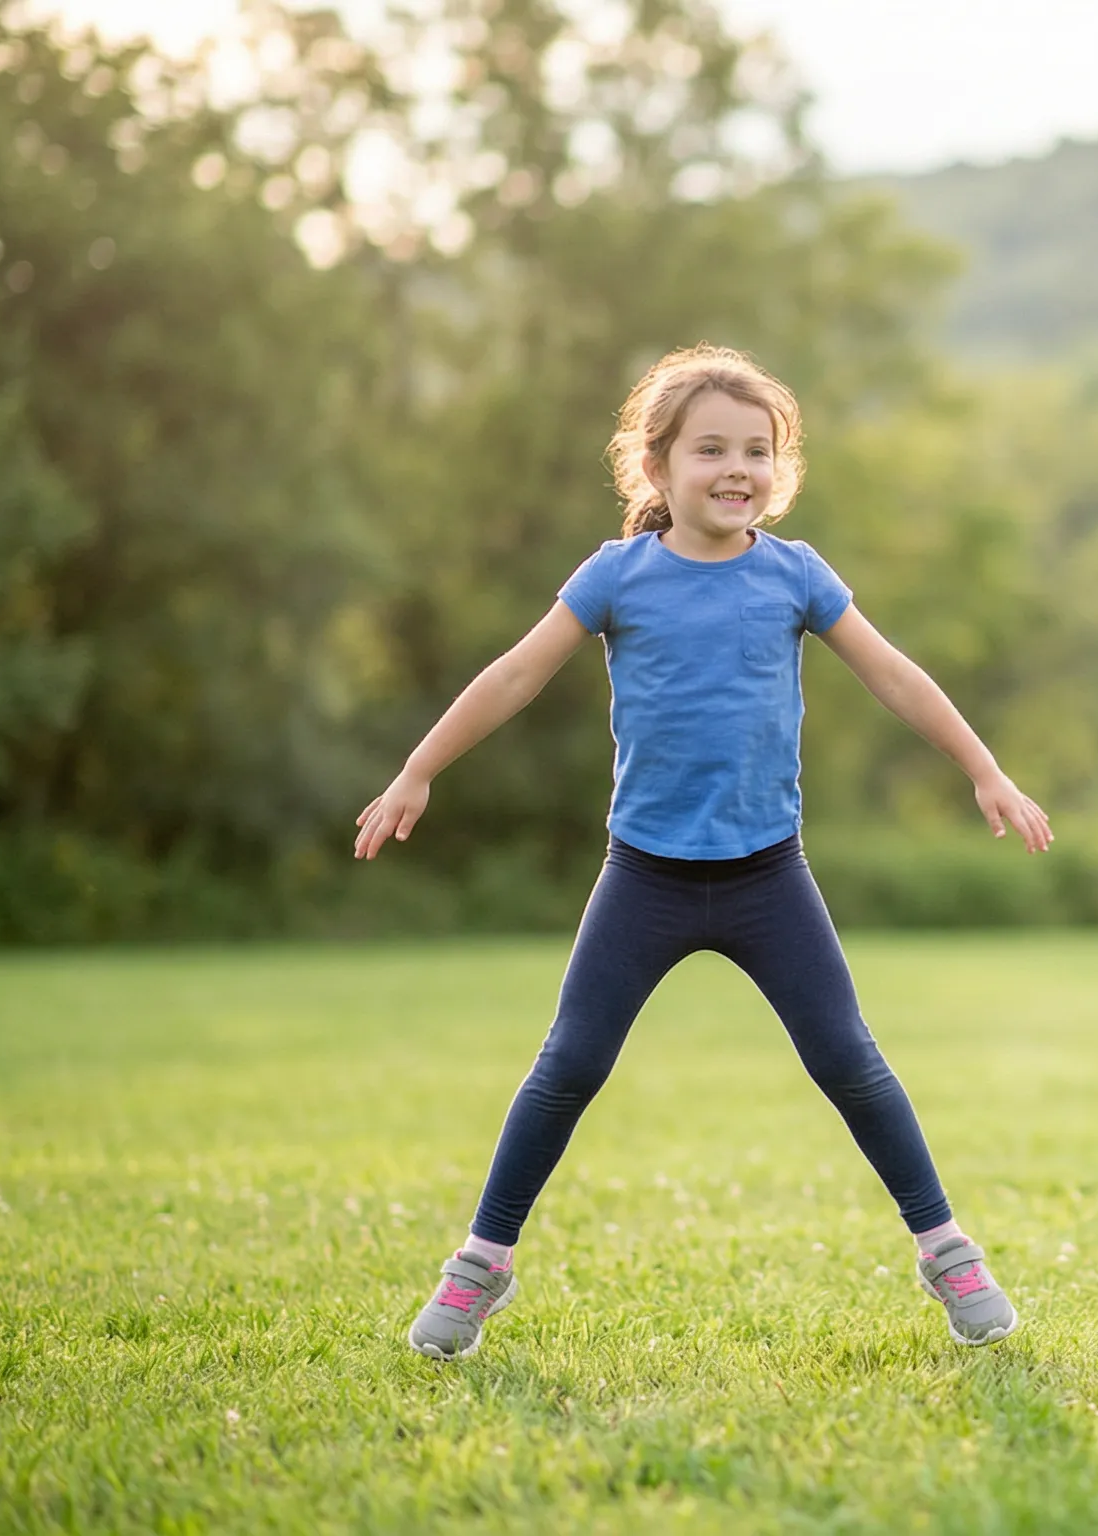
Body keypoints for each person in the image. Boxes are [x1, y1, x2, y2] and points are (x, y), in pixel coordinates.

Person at [357, 343, 1048, 1357]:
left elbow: (894, 675)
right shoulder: (618, 576)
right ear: (657, 468)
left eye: (757, 451)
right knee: (569, 1064)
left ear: (781, 469)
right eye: (711, 449)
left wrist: (984, 769)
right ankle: (480, 1266)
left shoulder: (796, 576)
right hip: (645, 877)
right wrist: (418, 768)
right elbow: (513, 676)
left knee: (850, 1061)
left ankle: (946, 1250)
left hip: (770, 875)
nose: (737, 469)